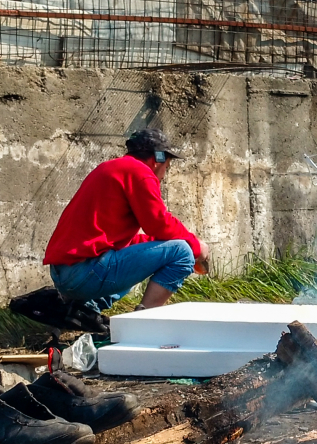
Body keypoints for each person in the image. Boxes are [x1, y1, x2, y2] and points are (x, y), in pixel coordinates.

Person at [44, 127, 210, 313]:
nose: (164, 175)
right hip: (83, 273)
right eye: (167, 167)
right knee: (183, 252)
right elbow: (158, 223)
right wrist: (196, 245)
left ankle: (86, 311)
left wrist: (157, 244)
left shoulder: (111, 168)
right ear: (158, 160)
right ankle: (143, 320)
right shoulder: (141, 173)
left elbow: (122, 242)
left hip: (65, 273)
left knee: (141, 256)